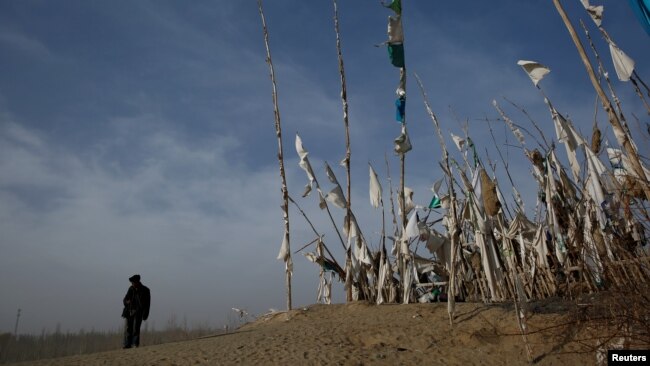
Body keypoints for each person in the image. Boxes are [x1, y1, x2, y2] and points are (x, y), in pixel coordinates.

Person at [122, 274, 151, 349]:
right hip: (129, 311)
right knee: (128, 328)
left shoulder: (145, 290)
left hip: (139, 312)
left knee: (136, 328)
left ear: (137, 282)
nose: (132, 284)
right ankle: (127, 344)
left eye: (133, 282)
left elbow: (147, 304)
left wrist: (145, 314)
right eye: (132, 283)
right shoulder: (130, 289)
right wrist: (127, 302)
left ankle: (135, 344)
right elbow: (125, 299)